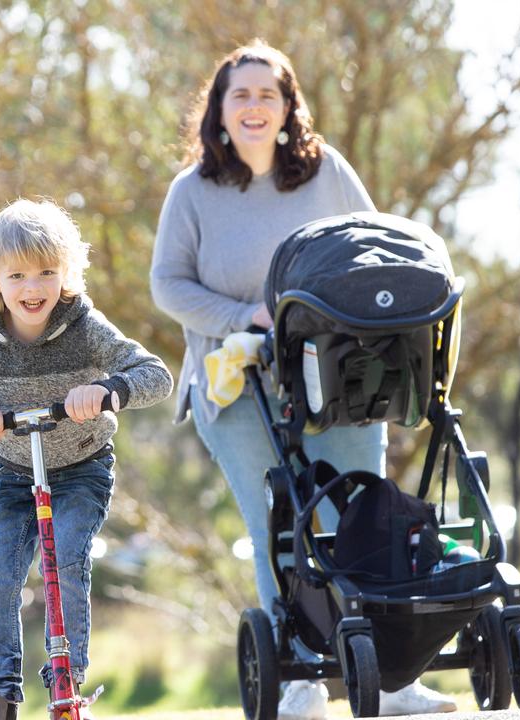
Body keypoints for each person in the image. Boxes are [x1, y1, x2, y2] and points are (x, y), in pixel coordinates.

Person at [149, 41, 458, 720]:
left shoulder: (328, 173)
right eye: (241, 95)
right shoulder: (192, 191)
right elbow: (166, 284)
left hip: (338, 375)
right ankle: (299, 679)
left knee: (360, 512)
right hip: (238, 382)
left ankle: (393, 675)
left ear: (289, 107)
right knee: (278, 527)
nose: (254, 106)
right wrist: (244, 316)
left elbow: (379, 251)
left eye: (268, 94)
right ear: (219, 111)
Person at [0, 199, 172, 720]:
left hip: (82, 467)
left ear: (66, 272)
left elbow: (155, 374)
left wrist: (108, 391)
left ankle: (65, 683)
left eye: (47, 272)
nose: (33, 287)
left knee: (65, 558)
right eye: (17, 274)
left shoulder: (84, 324)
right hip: (13, 471)